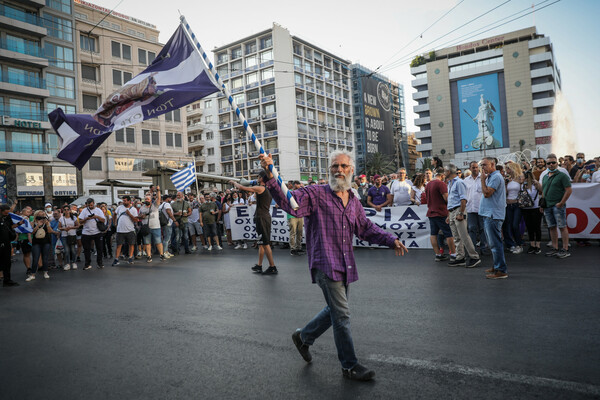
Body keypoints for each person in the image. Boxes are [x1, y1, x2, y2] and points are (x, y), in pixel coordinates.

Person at [260, 150, 408, 381]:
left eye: (343, 166)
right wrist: (271, 172)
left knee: (335, 311)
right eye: (334, 166)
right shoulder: (315, 194)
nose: (338, 170)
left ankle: (303, 337)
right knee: (342, 316)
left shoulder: (354, 201)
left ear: (351, 171)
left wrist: (391, 239)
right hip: (325, 264)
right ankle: (349, 365)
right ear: (329, 170)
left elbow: (366, 228)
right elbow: (290, 202)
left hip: (345, 264)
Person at [230, 171, 277, 274]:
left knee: (265, 243)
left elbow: (243, 188)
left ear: (261, 178)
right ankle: (259, 265)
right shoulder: (267, 189)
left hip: (262, 217)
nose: (257, 178)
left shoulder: (261, 188)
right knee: (261, 243)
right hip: (262, 217)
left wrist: (234, 183)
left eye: (258, 177)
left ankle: (272, 266)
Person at [445, 164, 481, 268]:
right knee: (456, 236)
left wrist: (461, 213)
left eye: (445, 171)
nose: (444, 173)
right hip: (452, 210)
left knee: (464, 235)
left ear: (449, 172)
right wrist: (449, 215)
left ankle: (474, 257)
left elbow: (463, 199)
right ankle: (460, 257)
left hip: (458, 210)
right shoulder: (450, 183)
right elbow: (451, 200)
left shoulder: (459, 182)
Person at [479, 157, 508, 279]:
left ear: (492, 164)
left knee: (495, 243)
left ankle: (500, 270)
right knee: (493, 243)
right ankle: (497, 266)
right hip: (490, 214)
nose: (482, 168)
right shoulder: (492, 176)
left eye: (484, 165)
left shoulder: (495, 177)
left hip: (493, 215)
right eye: (481, 165)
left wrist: (482, 180)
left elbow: (486, 193)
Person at [541, 154, 572, 259]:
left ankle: (565, 248)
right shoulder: (545, 176)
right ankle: (554, 248)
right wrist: (542, 204)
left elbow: (569, 190)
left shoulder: (562, 175)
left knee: (562, 226)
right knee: (552, 227)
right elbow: (544, 191)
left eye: (553, 162)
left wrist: (562, 202)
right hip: (547, 205)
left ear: (557, 163)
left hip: (557, 205)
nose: (551, 165)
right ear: (546, 164)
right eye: (549, 163)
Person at [424, 171, 456, 261]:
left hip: (431, 212)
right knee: (449, 233)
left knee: (433, 234)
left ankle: (438, 254)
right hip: (441, 212)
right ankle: (453, 254)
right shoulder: (441, 184)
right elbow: (446, 198)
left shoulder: (428, 185)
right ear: (442, 176)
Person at [464, 161, 488, 254]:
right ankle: (472, 249)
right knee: (471, 229)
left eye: (476, 167)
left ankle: (483, 248)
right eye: (473, 167)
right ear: (470, 169)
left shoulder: (483, 178)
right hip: (470, 208)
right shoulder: (466, 180)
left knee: (483, 229)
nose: (475, 169)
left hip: (481, 208)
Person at [27, 210, 57, 281]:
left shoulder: (46, 222)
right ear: (36, 216)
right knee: (35, 258)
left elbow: (49, 231)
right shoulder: (32, 222)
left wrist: (47, 224)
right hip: (36, 242)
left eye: (43, 216)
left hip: (46, 242)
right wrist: (37, 225)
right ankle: (33, 274)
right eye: (40, 216)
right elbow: (31, 232)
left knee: (45, 258)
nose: (41, 217)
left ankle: (45, 272)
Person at [78, 198, 106, 270]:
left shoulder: (98, 210)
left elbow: (103, 220)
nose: (90, 206)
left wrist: (96, 217)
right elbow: (80, 221)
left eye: (91, 205)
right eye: (89, 205)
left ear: (94, 203)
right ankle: (87, 264)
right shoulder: (84, 210)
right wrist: (86, 219)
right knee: (87, 249)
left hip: (97, 232)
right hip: (86, 232)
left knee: (99, 248)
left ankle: (99, 263)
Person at [139, 190, 166, 263]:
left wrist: (158, 191)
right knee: (147, 243)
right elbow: (139, 216)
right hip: (146, 228)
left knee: (158, 242)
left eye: (148, 199)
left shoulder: (155, 205)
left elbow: (159, 198)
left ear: (151, 200)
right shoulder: (142, 208)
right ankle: (149, 256)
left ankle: (161, 254)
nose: (146, 200)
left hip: (155, 227)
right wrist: (141, 216)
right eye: (145, 199)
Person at [503, 163, 525, 254]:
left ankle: (519, 244)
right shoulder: (508, 179)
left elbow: (523, 191)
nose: (506, 170)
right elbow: (505, 193)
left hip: (517, 205)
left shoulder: (520, 177)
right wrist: (505, 183)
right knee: (509, 225)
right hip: (508, 205)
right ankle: (514, 244)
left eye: (508, 168)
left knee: (515, 225)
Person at [521, 171, 543, 254]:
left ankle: (538, 245)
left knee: (536, 227)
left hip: (536, 208)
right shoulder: (522, 185)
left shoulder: (535, 184)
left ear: (527, 177)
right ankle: (532, 244)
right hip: (525, 208)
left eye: (523, 177)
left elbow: (542, 190)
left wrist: (538, 184)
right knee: (529, 227)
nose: (521, 178)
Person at [112, 196, 138, 266]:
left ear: (129, 201)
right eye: (123, 201)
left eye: (125, 201)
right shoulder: (119, 207)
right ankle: (116, 259)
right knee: (119, 245)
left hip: (130, 230)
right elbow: (114, 214)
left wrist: (129, 214)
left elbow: (136, 220)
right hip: (120, 230)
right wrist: (114, 222)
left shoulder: (133, 209)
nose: (124, 202)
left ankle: (130, 257)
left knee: (131, 244)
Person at [1, 204, 19, 287]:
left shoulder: (8, 218)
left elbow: (11, 226)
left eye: (8, 213)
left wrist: (19, 224)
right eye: (5, 213)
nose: (7, 215)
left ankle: (7, 280)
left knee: (7, 262)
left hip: (7, 243)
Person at [58, 205, 79, 270]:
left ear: (70, 210)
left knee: (73, 250)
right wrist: (64, 229)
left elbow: (78, 225)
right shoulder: (61, 218)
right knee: (66, 250)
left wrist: (71, 228)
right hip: (64, 235)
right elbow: (59, 227)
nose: (66, 211)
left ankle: (74, 262)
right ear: (63, 211)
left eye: (67, 209)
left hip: (72, 235)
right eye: (65, 210)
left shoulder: (74, 217)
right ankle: (68, 263)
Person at [287, 181, 305, 255]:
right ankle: (293, 249)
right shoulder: (289, 192)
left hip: (300, 215)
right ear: (295, 185)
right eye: (299, 185)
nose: (300, 186)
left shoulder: (301, 192)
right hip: (292, 216)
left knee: (299, 233)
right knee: (293, 233)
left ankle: (298, 247)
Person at [159, 194, 176, 258]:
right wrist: (174, 220)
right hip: (168, 223)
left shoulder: (161, 205)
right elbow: (169, 212)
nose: (170, 199)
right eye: (170, 198)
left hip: (163, 223)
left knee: (166, 237)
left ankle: (166, 251)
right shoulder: (167, 204)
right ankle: (164, 252)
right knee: (167, 238)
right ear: (167, 198)